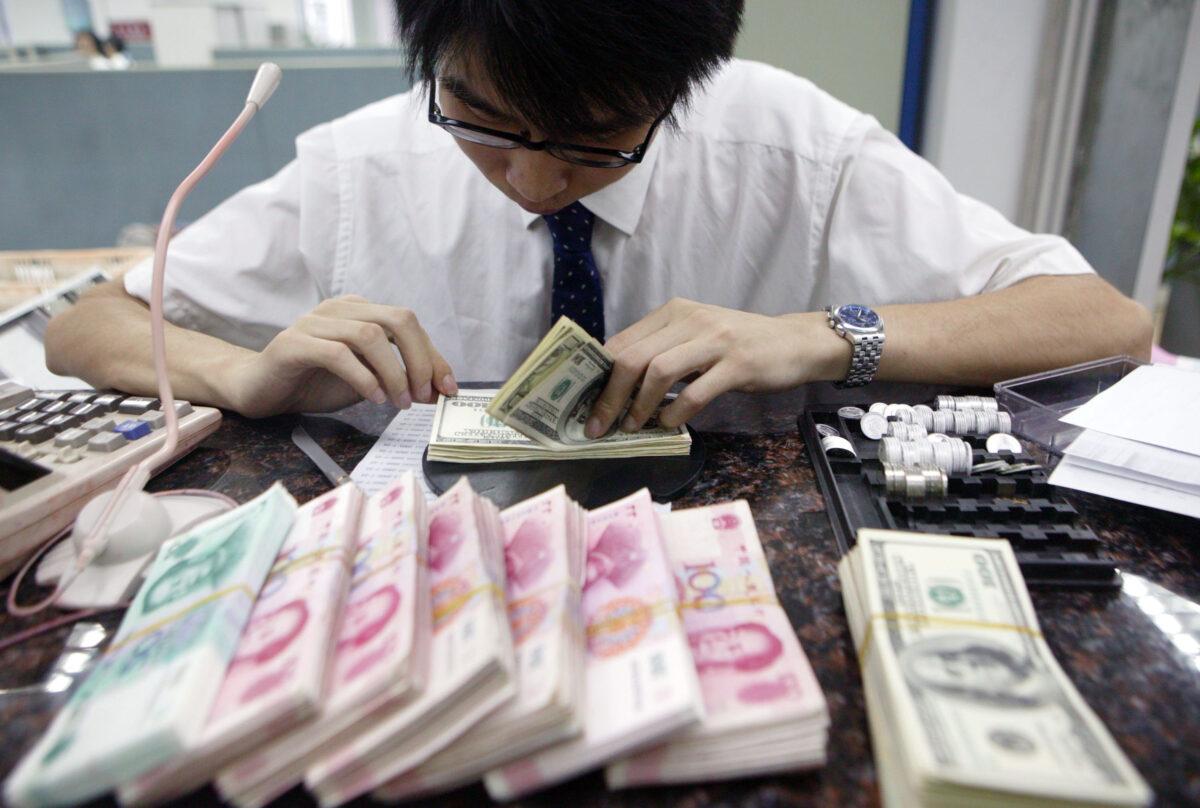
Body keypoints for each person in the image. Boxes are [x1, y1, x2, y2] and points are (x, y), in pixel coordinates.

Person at [45, 1, 1152, 436]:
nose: (530, 182)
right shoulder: (357, 164)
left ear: (682, 87)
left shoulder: (795, 150)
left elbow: (1105, 322)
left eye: (594, 137)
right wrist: (240, 374)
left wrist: (819, 334)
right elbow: (85, 325)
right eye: (480, 119)